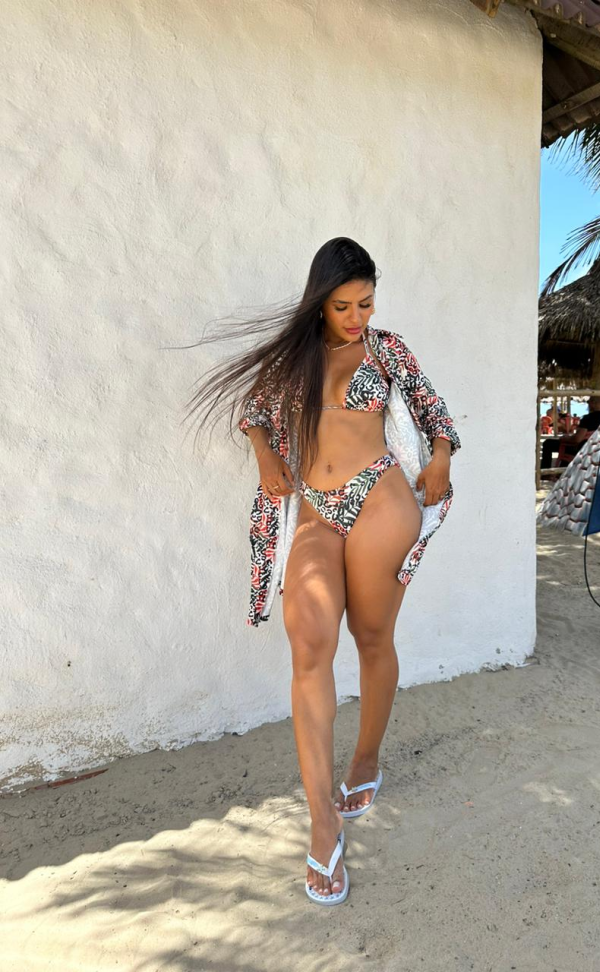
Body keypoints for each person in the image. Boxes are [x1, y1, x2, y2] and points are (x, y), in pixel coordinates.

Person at [185, 238, 461, 906]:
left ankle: (365, 758)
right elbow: (254, 416)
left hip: (379, 497)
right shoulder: (294, 358)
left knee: (371, 637)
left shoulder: (388, 350)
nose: (357, 317)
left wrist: (440, 459)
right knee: (309, 643)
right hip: (314, 507)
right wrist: (264, 457)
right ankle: (321, 820)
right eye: (343, 306)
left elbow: (435, 413)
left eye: (366, 303)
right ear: (319, 301)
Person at [541, 395, 600, 471]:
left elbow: (577, 439)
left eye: (588, 402)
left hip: (581, 449)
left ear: (593, 403)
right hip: (596, 448)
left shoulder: (588, 418)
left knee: (548, 443)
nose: (588, 404)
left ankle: (545, 471)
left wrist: (565, 438)